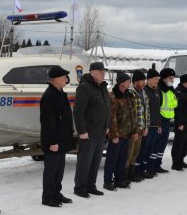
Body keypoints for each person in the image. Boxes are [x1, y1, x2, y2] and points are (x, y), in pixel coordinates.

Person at [72, 62, 111, 198]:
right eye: (100, 71)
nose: (103, 73)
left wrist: (107, 126)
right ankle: (80, 187)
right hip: (88, 133)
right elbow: (78, 111)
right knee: (85, 161)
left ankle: (91, 185)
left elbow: (107, 108)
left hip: (101, 131)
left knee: (95, 161)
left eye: (104, 71)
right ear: (92, 72)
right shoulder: (84, 88)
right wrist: (82, 131)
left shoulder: (102, 87)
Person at [39, 66, 75, 207]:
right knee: (51, 170)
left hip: (62, 140)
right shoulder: (49, 96)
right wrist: (53, 142)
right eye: (63, 77)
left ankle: (56, 193)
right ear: (55, 79)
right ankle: (48, 197)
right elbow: (47, 122)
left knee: (59, 170)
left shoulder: (60, 93)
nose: (66, 79)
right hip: (53, 142)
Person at [103, 72, 139, 191]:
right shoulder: (113, 96)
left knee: (122, 158)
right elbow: (112, 118)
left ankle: (119, 179)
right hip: (117, 134)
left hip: (127, 133)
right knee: (112, 158)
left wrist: (135, 130)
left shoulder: (129, 95)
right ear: (122, 83)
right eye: (128, 81)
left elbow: (133, 114)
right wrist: (114, 134)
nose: (130, 83)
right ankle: (108, 181)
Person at [136, 68, 162, 179]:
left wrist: (159, 124)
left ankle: (145, 169)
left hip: (155, 125)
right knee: (143, 149)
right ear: (149, 79)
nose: (157, 81)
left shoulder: (157, 91)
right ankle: (138, 170)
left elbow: (158, 109)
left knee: (150, 149)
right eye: (156, 79)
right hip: (148, 126)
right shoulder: (144, 91)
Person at [125, 70, 149, 183]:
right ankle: (124, 175)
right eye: (142, 81)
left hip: (141, 128)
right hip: (132, 130)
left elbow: (146, 111)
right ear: (135, 81)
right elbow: (131, 113)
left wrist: (146, 126)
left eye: (144, 80)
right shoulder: (130, 93)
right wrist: (133, 129)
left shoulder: (143, 93)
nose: (144, 82)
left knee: (135, 153)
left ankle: (131, 173)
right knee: (128, 153)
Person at [153, 68, 177, 174]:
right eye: (170, 78)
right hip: (160, 120)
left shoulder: (171, 90)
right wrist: (158, 123)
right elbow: (156, 107)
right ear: (163, 79)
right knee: (156, 144)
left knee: (163, 144)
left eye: (173, 78)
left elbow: (175, 104)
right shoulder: (159, 90)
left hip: (167, 120)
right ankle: (152, 165)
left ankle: (158, 164)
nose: (172, 80)